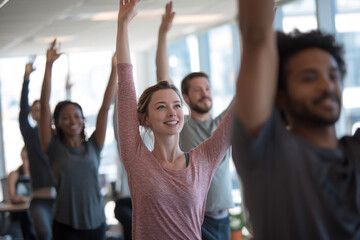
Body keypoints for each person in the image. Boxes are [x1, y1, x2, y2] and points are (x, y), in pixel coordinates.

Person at [232, 0, 360, 239]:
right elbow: (256, 38)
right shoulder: (268, 153)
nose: (327, 86)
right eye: (309, 78)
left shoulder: (354, 153)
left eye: (333, 76)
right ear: (280, 97)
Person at [116, 0, 233, 239]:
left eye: (177, 106)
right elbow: (126, 83)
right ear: (144, 118)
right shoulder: (136, 158)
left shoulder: (204, 159)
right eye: (161, 107)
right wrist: (123, 24)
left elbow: (243, 106)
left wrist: (260, 43)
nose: (172, 112)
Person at [156, 2, 234, 239]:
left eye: (207, 88)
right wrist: (163, 33)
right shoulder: (182, 125)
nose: (205, 93)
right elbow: (163, 81)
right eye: (197, 90)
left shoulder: (223, 124)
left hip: (225, 219)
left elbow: (249, 89)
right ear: (186, 97)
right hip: (197, 219)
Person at [39, 40, 117, 240]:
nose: (72, 121)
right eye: (65, 117)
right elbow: (45, 108)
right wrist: (48, 66)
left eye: (76, 116)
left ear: (83, 120)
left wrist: (114, 69)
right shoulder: (53, 148)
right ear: (57, 123)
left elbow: (105, 108)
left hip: (97, 222)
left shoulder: (94, 146)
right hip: (67, 226)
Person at [19, 58, 56, 240]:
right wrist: (26, 79)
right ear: (32, 115)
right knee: (44, 233)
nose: (38, 112)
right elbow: (21, 111)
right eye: (35, 110)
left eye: (42, 109)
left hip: (62, 198)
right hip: (40, 200)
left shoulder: (58, 135)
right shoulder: (30, 134)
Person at [6, 147, 36, 240]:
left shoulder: (38, 176)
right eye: (23, 158)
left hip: (34, 213)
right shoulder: (15, 174)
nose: (25, 161)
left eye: (27, 158)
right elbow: (12, 197)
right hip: (19, 214)